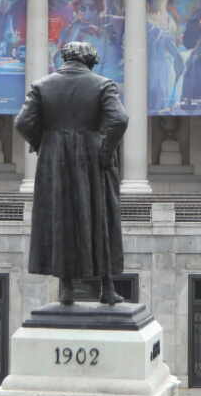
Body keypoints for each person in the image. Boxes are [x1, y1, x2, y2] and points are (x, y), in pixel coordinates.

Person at [14, 40, 128, 305]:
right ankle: (107, 288)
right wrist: (106, 149)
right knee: (101, 218)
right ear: (90, 60)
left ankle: (65, 288)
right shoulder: (103, 85)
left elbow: (22, 122)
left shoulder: (41, 86)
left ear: (63, 58)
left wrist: (42, 142)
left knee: (60, 217)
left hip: (55, 160)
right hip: (94, 157)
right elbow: (120, 119)